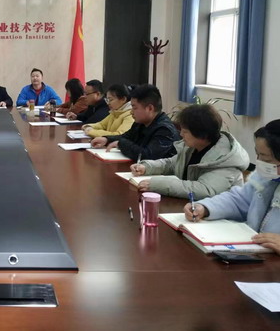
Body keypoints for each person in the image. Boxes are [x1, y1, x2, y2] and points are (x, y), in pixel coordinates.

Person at [185, 120, 280, 254]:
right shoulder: (264, 177)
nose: (259, 162)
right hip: (254, 250)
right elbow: (239, 200)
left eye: (266, 159)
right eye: (257, 155)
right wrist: (205, 208)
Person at [131, 104, 249, 199]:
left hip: (219, 216)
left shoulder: (225, 159)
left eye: (185, 131)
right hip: (192, 207)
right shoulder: (193, 147)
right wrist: (146, 167)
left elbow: (204, 189)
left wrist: (157, 184)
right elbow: (172, 163)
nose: (181, 134)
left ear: (202, 134)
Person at [91, 84, 179, 161]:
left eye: (134, 108)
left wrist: (120, 143)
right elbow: (126, 136)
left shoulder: (164, 129)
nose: (131, 112)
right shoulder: (140, 123)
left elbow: (147, 155)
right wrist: (106, 139)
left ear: (150, 108)